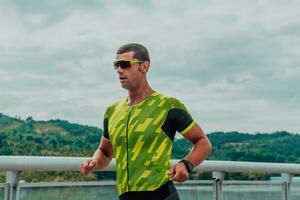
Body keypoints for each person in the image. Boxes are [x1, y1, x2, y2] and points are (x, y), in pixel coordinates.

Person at [80, 43, 212, 200]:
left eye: (125, 64)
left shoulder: (168, 106)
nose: (119, 70)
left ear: (144, 66)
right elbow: (105, 152)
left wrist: (186, 164)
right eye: (116, 65)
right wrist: (94, 161)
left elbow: (203, 142)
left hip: (161, 195)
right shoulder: (112, 111)